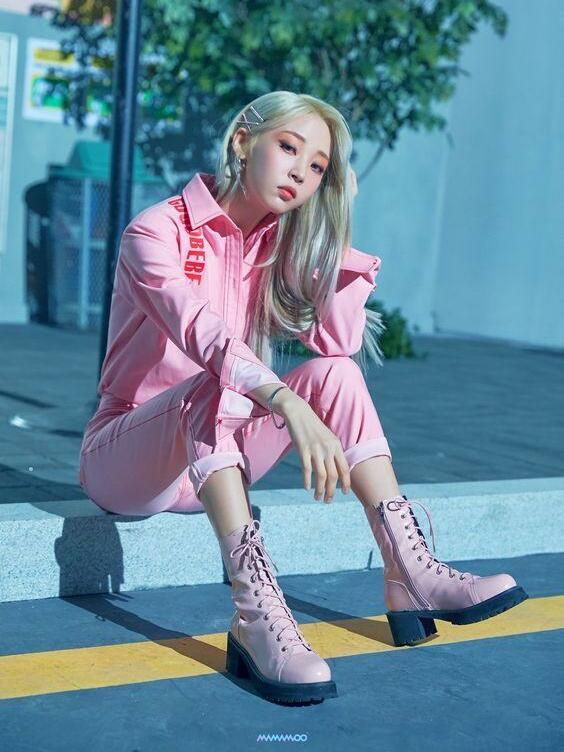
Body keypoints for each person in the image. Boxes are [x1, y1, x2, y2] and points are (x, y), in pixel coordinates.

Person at [79, 91, 528, 705]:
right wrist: (287, 404)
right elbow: (203, 337)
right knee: (217, 378)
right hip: (126, 460)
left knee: (336, 374)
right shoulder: (155, 230)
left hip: (214, 457)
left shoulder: (274, 243)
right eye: (289, 148)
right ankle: (254, 615)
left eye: (318, 167)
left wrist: (338, 221)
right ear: (243, 141)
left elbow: (338, 342)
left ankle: (408, 569)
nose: (300, 173)